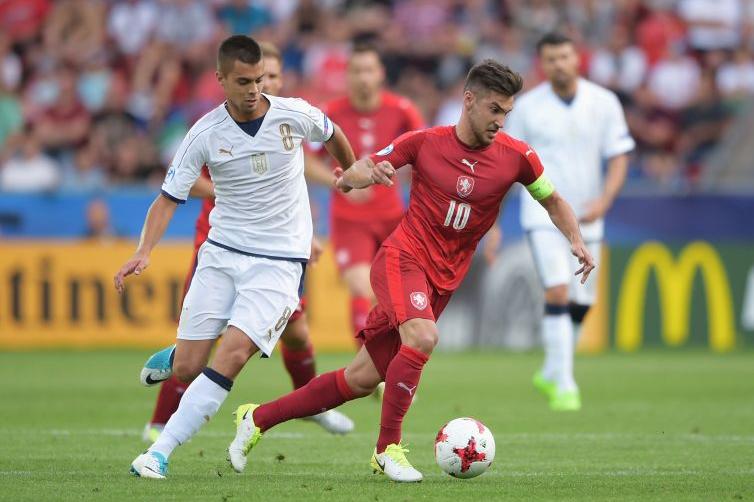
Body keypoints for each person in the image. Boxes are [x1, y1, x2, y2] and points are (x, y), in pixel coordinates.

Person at [226, 59, 595, 483]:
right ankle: (387, 451)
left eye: (506, 113)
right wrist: (356, 179)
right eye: (494, 109)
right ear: (469, 100)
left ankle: (256, 419)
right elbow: (364, 166)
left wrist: (576, 239)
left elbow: (553, 200)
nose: (500, 120)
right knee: (423, 337)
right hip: (403, 258)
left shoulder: (518, 157)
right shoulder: (424, 142)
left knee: (361, 378)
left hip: (442, 281)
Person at [115, 35, 356, 479]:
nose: (253, 89)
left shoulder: (293, 113)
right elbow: (169, 197)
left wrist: (348, 169)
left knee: (234, 353)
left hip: (280, 261)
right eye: (243, 81)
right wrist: (143, 250)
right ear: (221, 79)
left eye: (259, 79)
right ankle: (179, 354)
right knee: (189, 367)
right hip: (223, 253)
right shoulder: (203, 134)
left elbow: (333, 132)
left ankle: (159, 452)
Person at [504, 33, 634, 411]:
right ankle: (564, 385)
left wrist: (605, 200)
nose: (558, 64)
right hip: (542, 215)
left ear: (578, 59)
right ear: (542, 64)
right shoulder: (527, 108)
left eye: (564, 56)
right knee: (558, 291)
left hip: (589, 214)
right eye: (551, 59)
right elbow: (508, 165)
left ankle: (552, 370)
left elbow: (619, 156)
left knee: (582, 302)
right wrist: (492, 222)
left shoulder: (604, 102)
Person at [322, 42, 424, 347]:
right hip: (349, 219)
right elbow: (303, 159)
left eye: (369, 70)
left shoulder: (402, 110)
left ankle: (394, 361)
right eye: (356, 71)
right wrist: (340, 182)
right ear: (348, 76)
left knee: (396, 293)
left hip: (391, 216)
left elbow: (426, 150)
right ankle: (369, 369)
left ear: (380, 74)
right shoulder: (331, 113)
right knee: (359, 286)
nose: (363, 78)